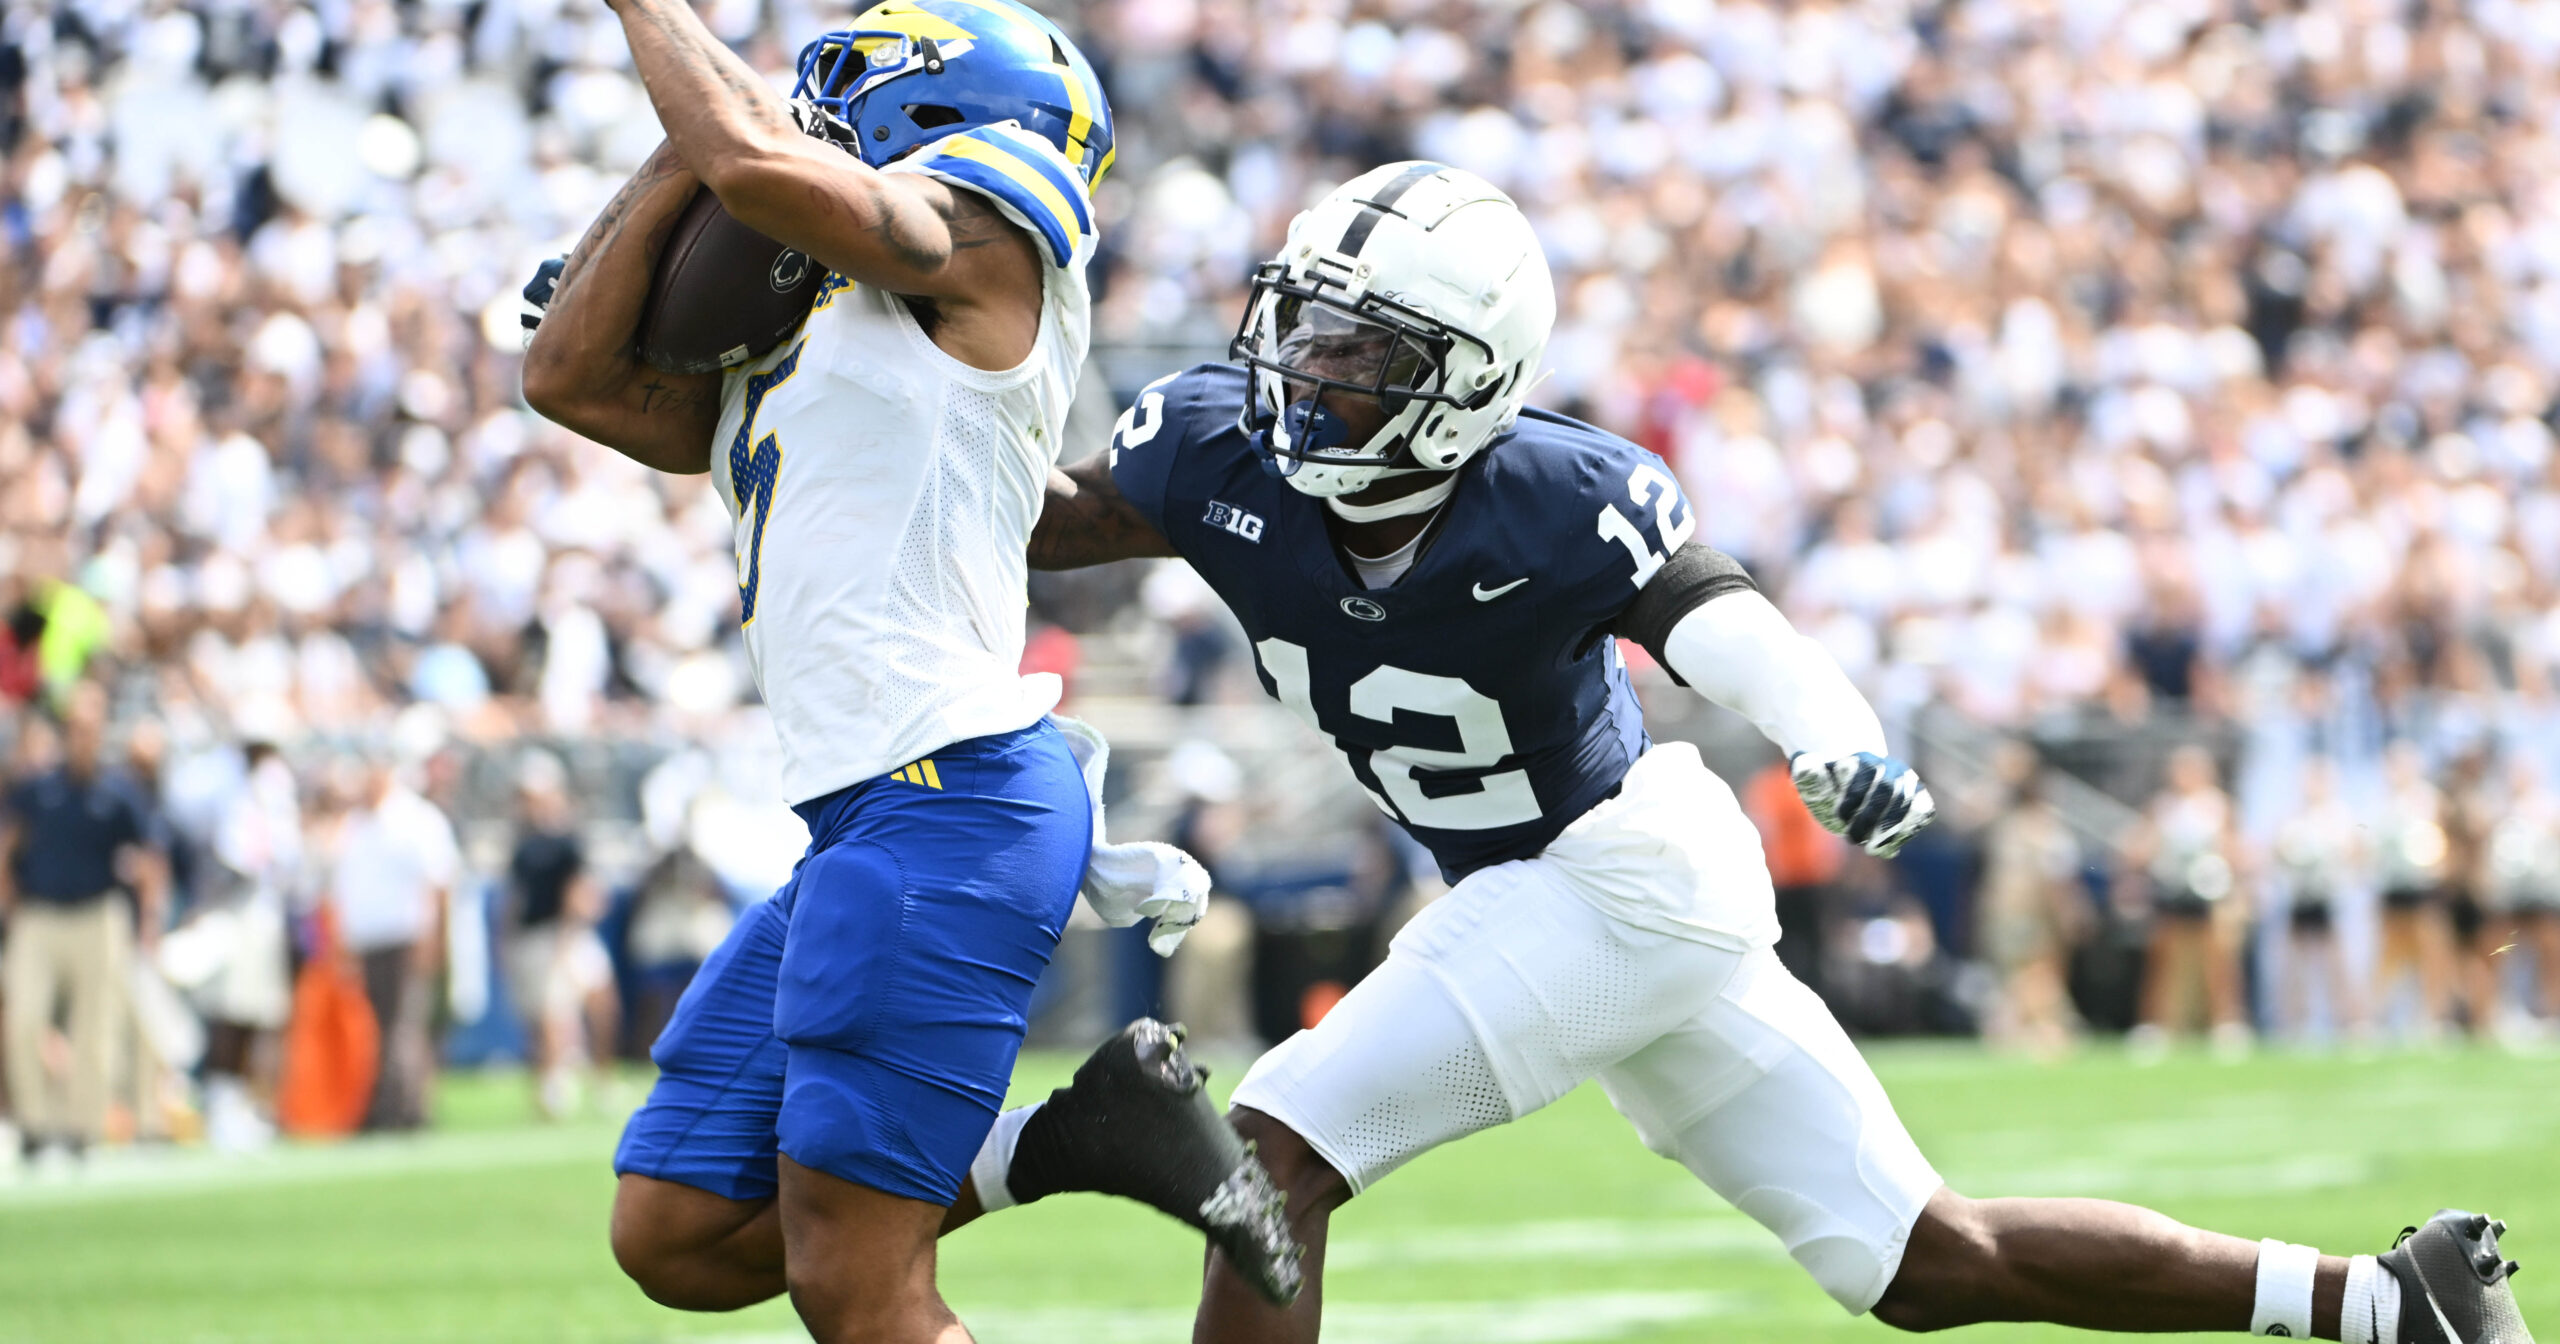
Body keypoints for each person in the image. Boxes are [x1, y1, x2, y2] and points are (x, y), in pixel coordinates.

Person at [989, 163, 2534, 1344]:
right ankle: (2394, 1304)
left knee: (1271, 1144)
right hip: (1570, 900)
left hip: (1616, 875)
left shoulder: (1555, 493)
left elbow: (1706, 614)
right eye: (1306, 325)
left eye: (1362, 351)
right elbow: (1054, 523)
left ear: (1469, 382)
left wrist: (1831, 732)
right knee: (1929, 1265)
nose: (1308, 372)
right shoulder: (1214, 446)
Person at [519, 2, 1296, 1338]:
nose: (822, 115)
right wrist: (678, 161)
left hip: (951, 800)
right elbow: (569, 380)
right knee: (679, 1231)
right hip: (869, 816)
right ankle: (1071, 1140)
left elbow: (763, 167)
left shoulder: (1000, 236)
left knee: (857, 1287)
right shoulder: (826, 324)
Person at [0, 684, 168, 1164]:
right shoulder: (38, 788)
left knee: (96, 1026)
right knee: (26, 1018)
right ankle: (36, 1124)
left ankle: (81, 1127)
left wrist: (149, 921)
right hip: (39, 914)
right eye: (75, 728)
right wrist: (9, 908)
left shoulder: (119, 792)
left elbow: (151, 860)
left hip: (97, 915)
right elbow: (8, 847)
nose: (82, 737)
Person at [327, 758, 461, 1132]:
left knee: (403, 1025)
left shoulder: (418, 819)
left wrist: (435, 938)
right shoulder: (355, 825)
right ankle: (386, 1104)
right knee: (378, 1027)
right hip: (368, 941)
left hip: (407, 937)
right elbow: (345, 889)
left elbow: (438, 883)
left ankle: (404, 1108)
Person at [502, 751, 614, 1120]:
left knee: (599, 1002)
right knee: (549, 1014)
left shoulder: (568, 839)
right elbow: (516, 900)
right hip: (537, 936)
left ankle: (600, 1078)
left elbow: (582, 892)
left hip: (569, 935)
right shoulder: (523, 845)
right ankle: (552, 1086)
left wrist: (567, 938)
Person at [2124, 744, 2251, 1058]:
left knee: (2218, 962)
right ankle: (2158, 1024)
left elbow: (2235, 850)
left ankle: (2226, 1022)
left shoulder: (2217, 806)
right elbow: (2141, 846)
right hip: (2172, 890)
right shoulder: (2163, 806)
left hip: (2209, 893)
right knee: (2163, 960)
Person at [1975, 741, 2086, 1058]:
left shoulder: (2041, 825)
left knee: (2036, 972)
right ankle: (2026, 1028)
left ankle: (2039, 1027)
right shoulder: (2008, 823)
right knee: (2021, 973)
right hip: (2010, 913)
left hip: (2032, 913)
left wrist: (2067, 912)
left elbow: (2056, 878)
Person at [2271, 755, 2365, 1042]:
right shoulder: (2294, 815)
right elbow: (2278, 851)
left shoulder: (2339, 815)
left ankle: (2349, 1021)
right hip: (2302, 896)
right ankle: (2295, 1022)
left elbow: (2356, 851)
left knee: (2336, 962)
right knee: (2295, 963)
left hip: (2329, 896)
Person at [2372, 740, 2455, 1039]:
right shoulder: (2384, 802)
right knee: (2389, 956)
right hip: (2393, 888)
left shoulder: (2429, 799)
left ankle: (2433, 1017)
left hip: (2423, 888)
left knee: (2431, 953)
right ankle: (2377, 1019)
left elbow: (2443, 841)